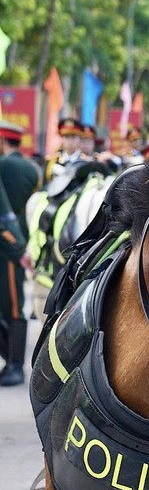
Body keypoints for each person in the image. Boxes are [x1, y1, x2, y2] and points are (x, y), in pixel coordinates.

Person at [0, 122, 41, 385]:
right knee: (14, 303)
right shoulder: (32, 169)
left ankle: (14, 363)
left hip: (8, 241)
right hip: (21, 237)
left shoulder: (3, 166)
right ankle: (13, 362)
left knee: (13, 304)